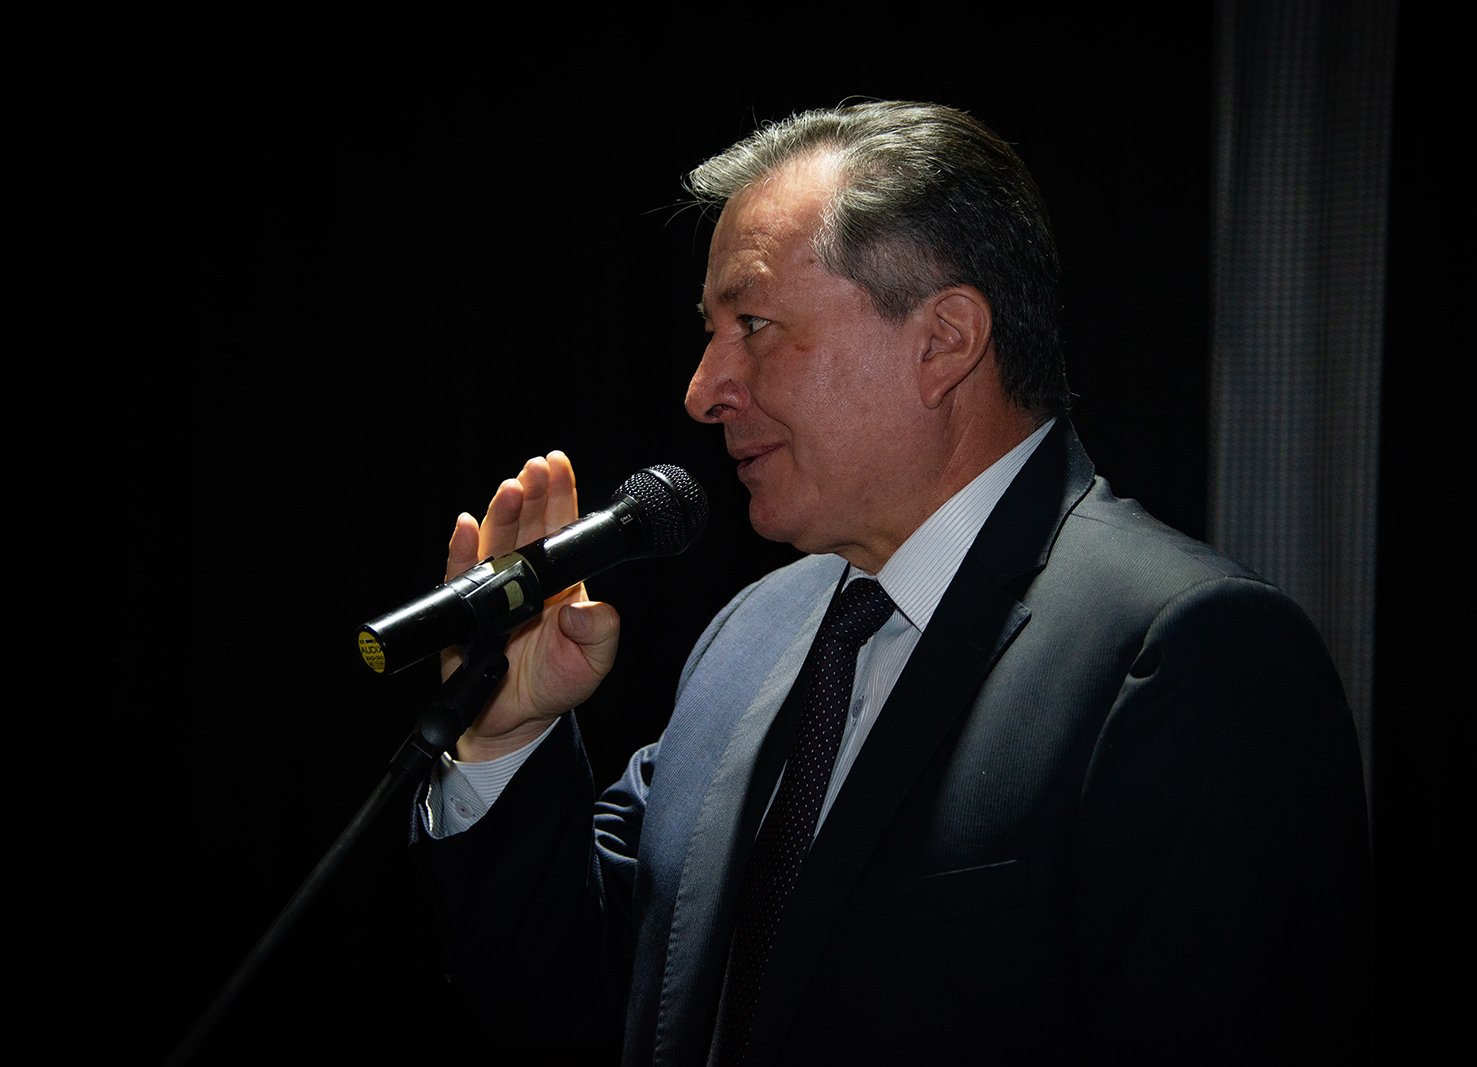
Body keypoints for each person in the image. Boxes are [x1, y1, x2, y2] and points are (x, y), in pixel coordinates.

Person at [411, 101, 1372, 1065]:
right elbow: (581, 1004)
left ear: (944, 340)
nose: (702, 391)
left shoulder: (1186, 655)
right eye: (710, 331)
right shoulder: (749, 633)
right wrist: (505, 735)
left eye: (754, 324)